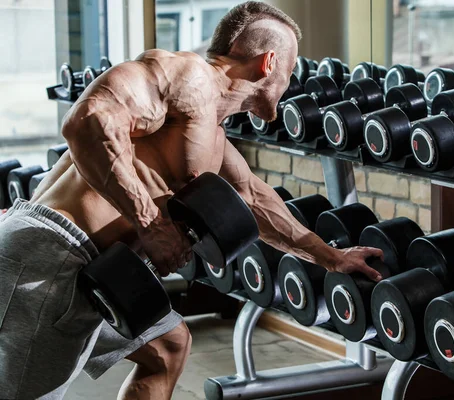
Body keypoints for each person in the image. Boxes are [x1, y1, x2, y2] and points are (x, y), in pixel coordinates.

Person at [0, 2, 384, 399]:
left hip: (94, 268)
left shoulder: (211, 133)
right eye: (291, 68)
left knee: (167, 348)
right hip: (53, 255)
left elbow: (252, 197)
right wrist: (152, 223)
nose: (290, 80)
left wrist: (330, 257)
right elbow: (89, 120)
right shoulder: (189, 76)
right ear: (269, 63)